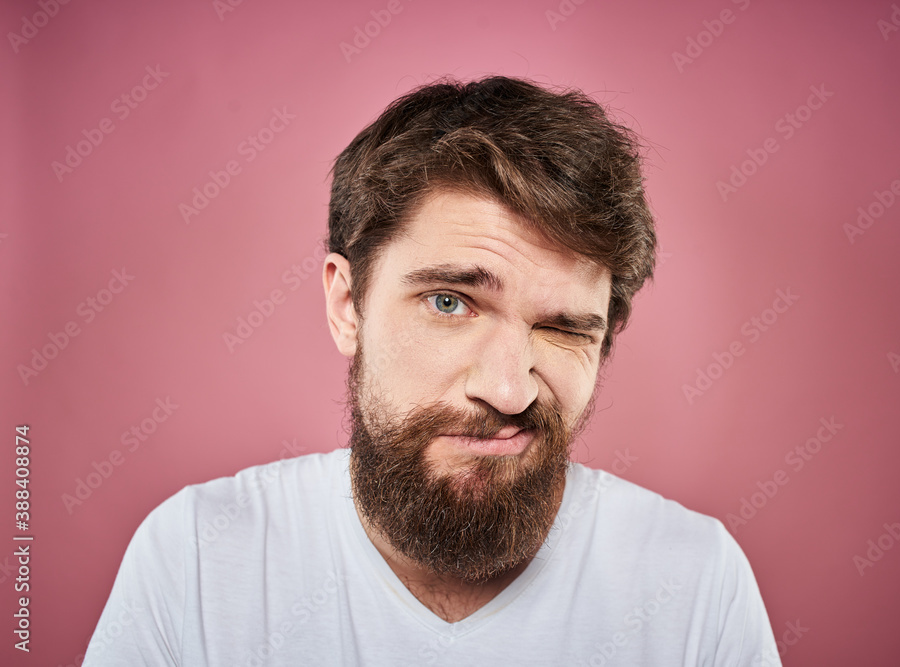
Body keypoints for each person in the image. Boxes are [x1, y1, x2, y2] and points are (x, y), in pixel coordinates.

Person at [84, 76, 781, 666]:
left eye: (564, 327)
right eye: (450, 302)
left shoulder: (694, 587)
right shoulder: (197, 563)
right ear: (346, 303)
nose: (509, 389)